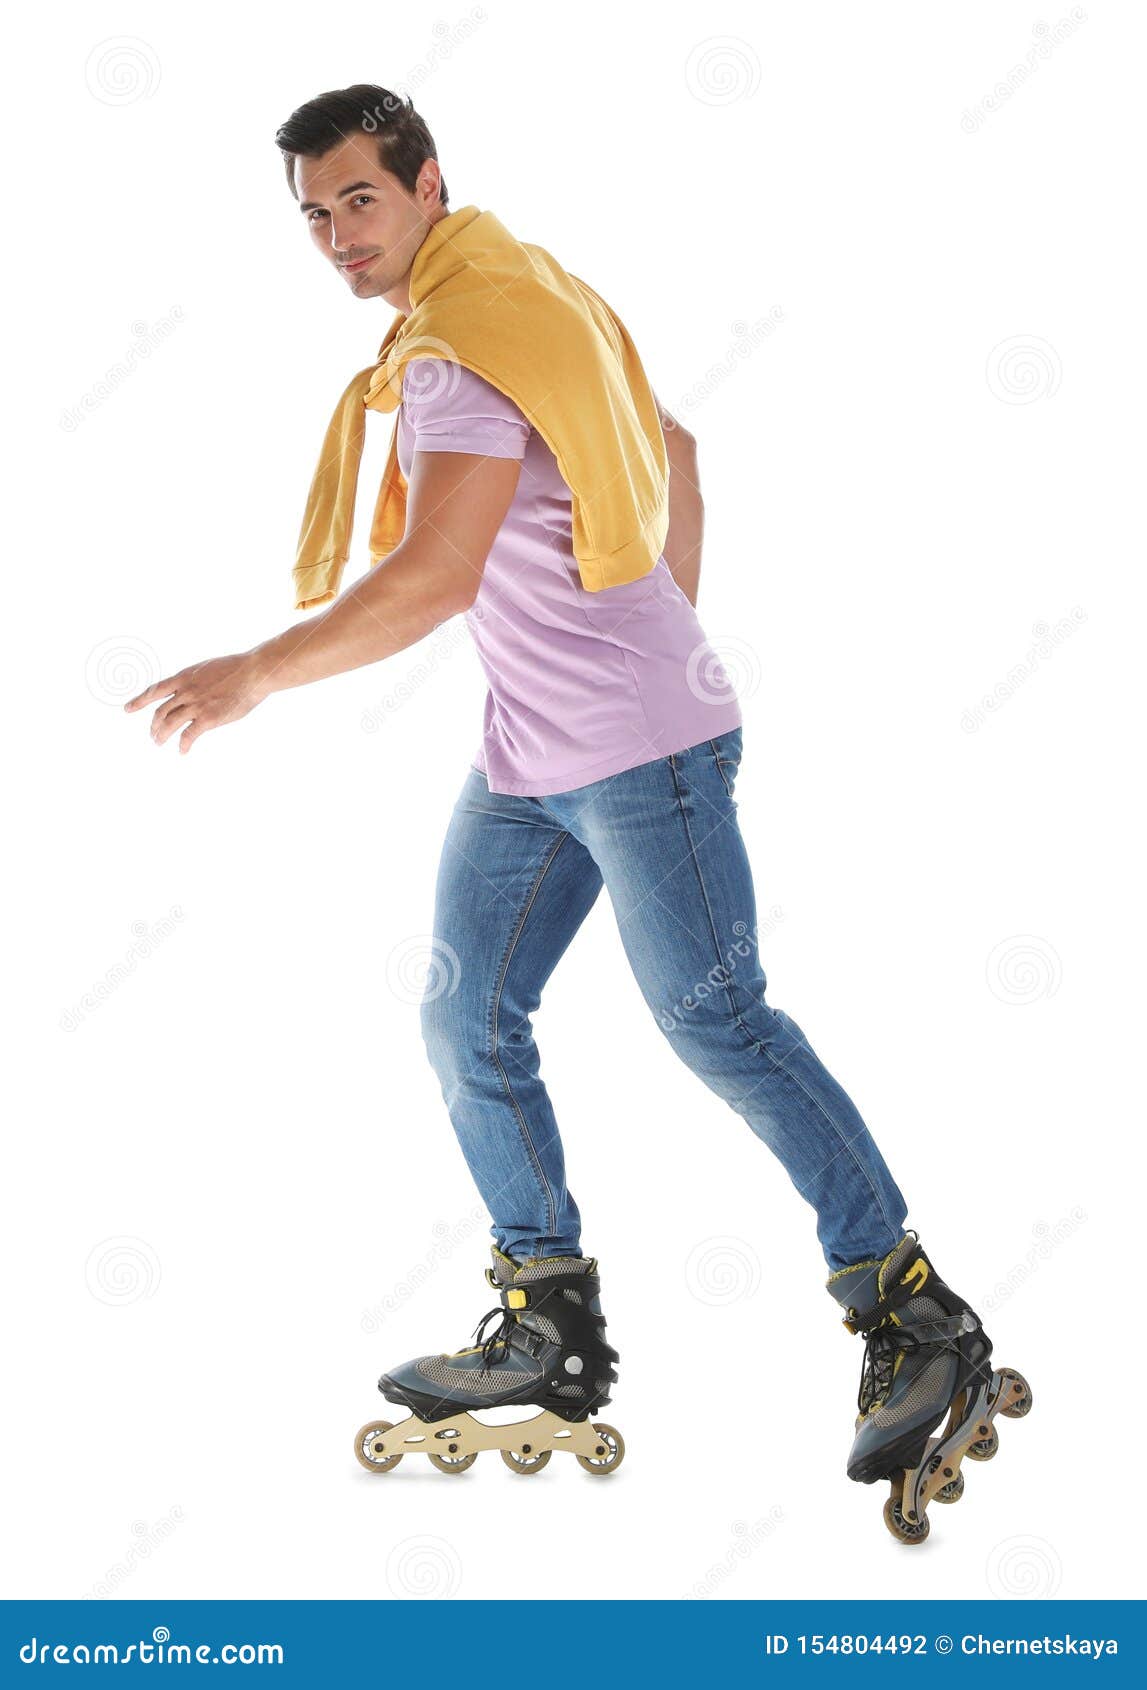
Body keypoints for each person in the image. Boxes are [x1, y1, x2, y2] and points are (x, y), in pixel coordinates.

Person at [125, 85, 1029, 1536]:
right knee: (465, 1017)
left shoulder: (457, 353)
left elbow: (433, 577)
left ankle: (912, 1311)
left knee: (718, 1022)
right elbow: (677, 453)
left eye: (360, 199)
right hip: (529, 758)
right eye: (313, 214)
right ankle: (546, 1315)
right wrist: (653, 630)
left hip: (638, 753)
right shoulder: (526, 290)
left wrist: (257, 673)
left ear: (427, 184)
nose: (338, 235)